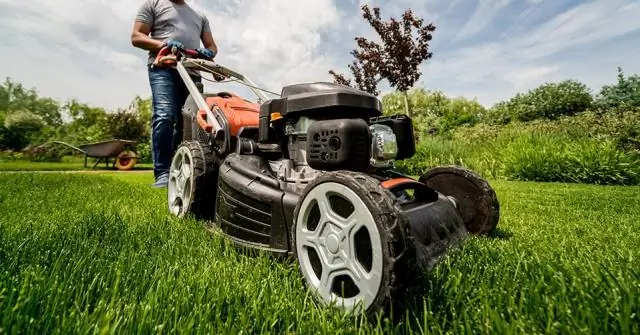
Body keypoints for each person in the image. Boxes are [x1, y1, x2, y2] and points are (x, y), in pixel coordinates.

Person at [131, 0, 218, 187]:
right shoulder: (153, 4)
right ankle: (162, 173)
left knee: (189, 124)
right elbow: (137, 37)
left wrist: (208, 53)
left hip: (192, 72)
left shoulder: (199, 15)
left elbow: (212, 46)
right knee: (164, 116)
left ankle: (181, 169)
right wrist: (164, 43)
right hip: (164, 67)